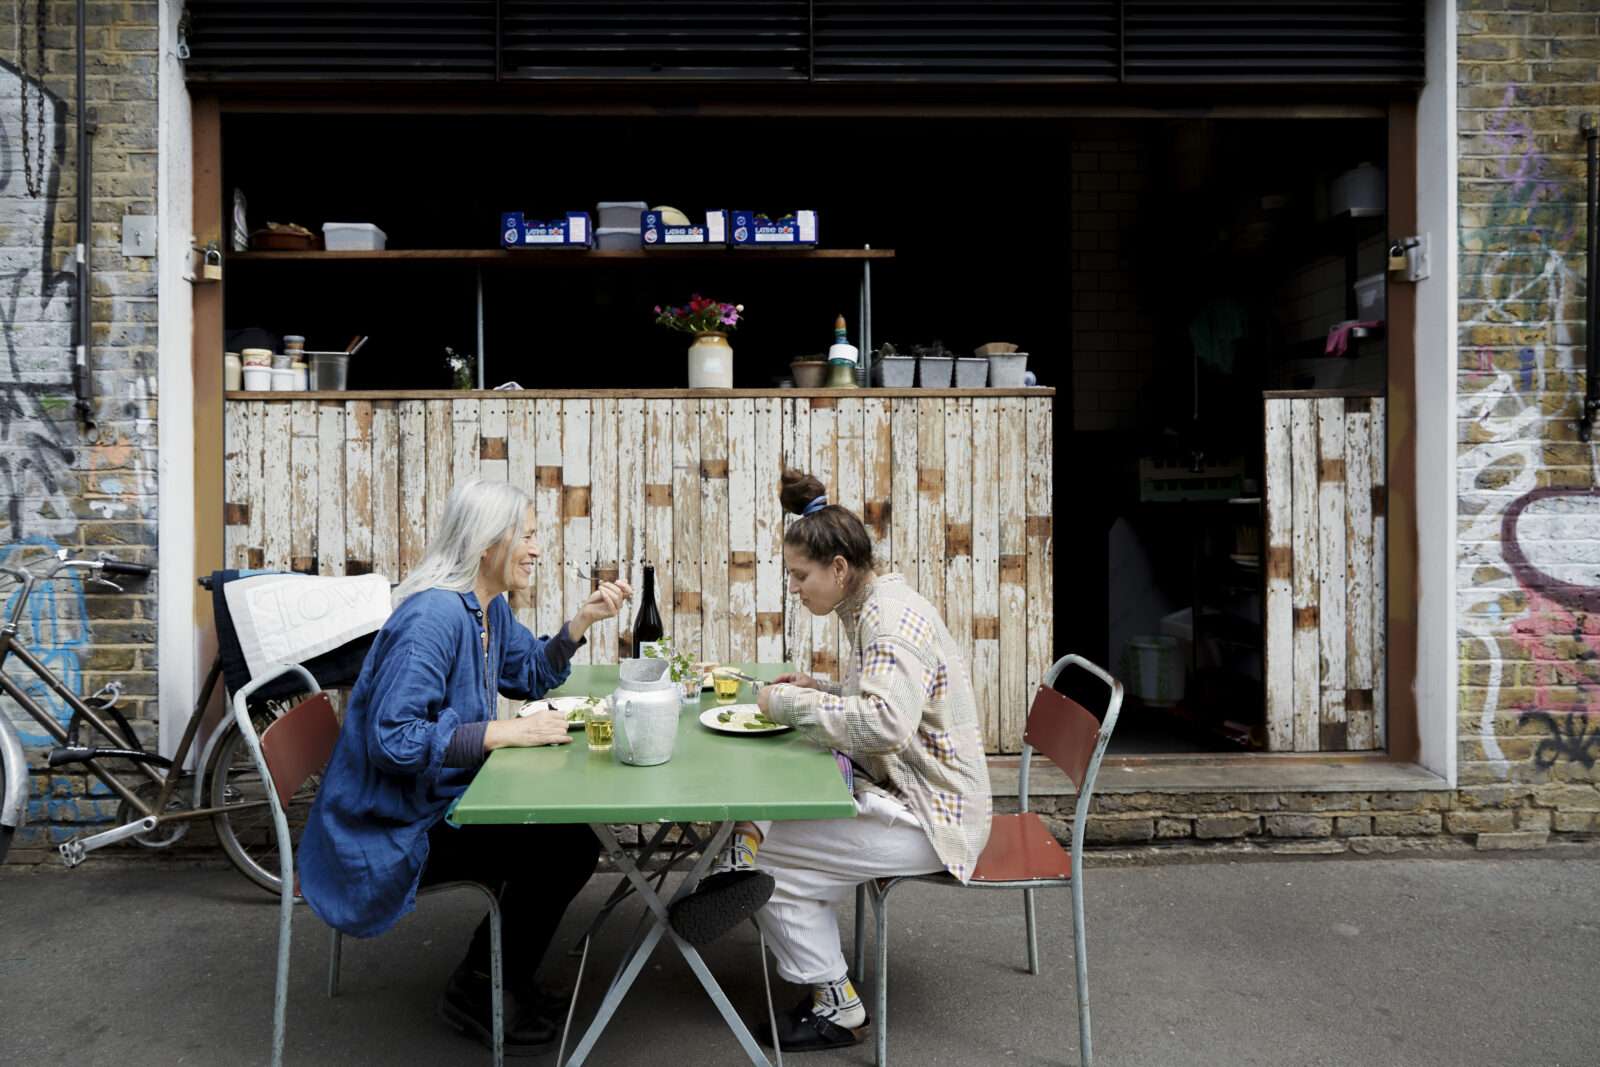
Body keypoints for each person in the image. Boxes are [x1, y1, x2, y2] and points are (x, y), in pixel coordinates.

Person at [298, 479, 631, 1056]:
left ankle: (505, 974)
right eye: (526, 535)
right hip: (391, 825)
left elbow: (528, 673)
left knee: (566, 838)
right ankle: (479, 988)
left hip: (435, 799)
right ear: (486, 542)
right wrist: (503, 732)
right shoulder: (433, 619)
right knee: (563, 848)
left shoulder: (485, 610)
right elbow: (394, 741)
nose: (535, 548)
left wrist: (580, 623)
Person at [668, 468, 992, 1052]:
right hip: (914, 794)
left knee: (765, 871)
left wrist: (792, 702)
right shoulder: (874, 602)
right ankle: (750, 865)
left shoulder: (885, 622)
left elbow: (887, 724)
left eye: (799, 576)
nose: (794, 588)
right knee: (766, 846)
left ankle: (836, 1003)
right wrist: (822, 689)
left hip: (934, 819)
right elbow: (885, 703)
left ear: (838, 568)